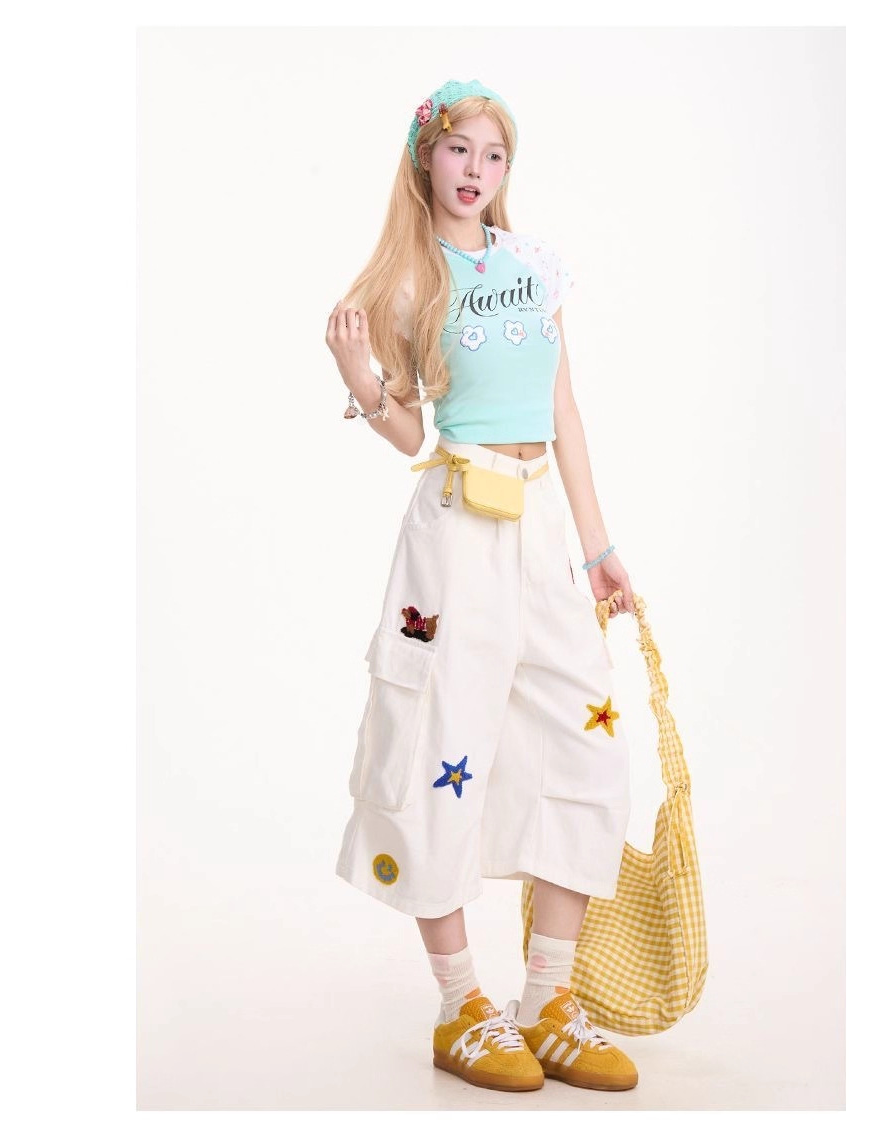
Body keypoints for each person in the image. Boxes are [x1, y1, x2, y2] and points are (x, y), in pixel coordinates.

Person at [325, 79, 639, 1094]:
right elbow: (410, 432)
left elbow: (566, 411)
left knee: (584, 745)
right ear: (427, 157)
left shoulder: (533, 264)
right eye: (459, 149)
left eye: (493, 154)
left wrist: (596, 548)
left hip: (540, 527)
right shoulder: (403, 280)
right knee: (439, 745)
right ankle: (461, 1002)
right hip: (457, 531)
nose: (475, 170)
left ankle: (546, 998)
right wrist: (361, 380)